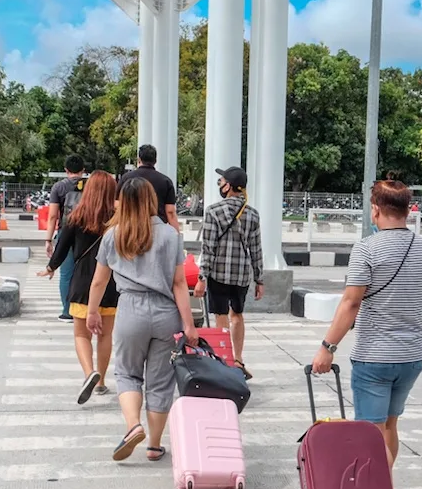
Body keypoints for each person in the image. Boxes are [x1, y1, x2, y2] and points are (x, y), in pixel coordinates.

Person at [310, 179, 422, 489]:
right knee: (389, 426)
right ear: (408, 210)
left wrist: (327, 347)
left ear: (376, 209)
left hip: (374, 357)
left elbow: (351, 302)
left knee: (369, 433)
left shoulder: (366, 249)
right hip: (412, 356)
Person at [86, 177, 199, 462]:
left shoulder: (113, 235)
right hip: (165, 313)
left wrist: (92, 311)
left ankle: (133, 426)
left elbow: (100, 281)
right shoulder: (171, 235)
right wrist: (189, 324)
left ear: (122, 201)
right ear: (152, 201)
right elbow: (178, 284)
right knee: (161, 381)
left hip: (130, 311)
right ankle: (154, 445)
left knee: (127, 373)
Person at [38, 171, 119, 405]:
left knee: (81, 334)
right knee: (105, 335)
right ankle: (102, 381)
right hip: (111, 284)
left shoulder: (76, 217)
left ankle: (89, 373)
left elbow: (62, 248)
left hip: (82, 282)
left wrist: (51, 267)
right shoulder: (118, 218)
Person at [193, 166, 264, 380]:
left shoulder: (214, 212)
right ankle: (238, 359)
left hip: (219, 274)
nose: (219, 186)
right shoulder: (252, 214)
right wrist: (259, 279)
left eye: (221, 182)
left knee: (220, 317)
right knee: (238, 316)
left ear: (229, 186)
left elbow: (208, 248)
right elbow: (256, 248)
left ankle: (223, 360)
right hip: (242, 275)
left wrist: (201, 277)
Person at [46, 154, 86, 322]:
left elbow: (53, 216)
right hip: (87, 233)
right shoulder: (90, 186)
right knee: (85, 271)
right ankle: (84, 308)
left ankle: (67, 311)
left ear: (66, 170)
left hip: (65, 232)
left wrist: (48, 240)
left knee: (66, 273)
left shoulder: (58, 187)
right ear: (83, 171)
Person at [116, 144, 180, 232]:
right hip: (157, 229)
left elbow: (117, 205)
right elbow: (170, 211)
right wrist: (176, 234)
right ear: (155, 161)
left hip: (131, 228)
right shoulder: (165, 181)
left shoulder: (126, 178)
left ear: (139, 159)